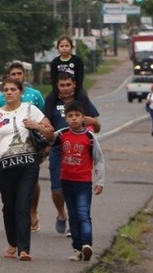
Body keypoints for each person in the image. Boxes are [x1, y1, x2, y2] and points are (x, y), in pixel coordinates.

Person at [0, 78, 54, 261]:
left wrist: (36, 126)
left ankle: (24, 249)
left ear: (20, 92)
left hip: (28, 164)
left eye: (13, 89)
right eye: (5, 90)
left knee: (23, 204)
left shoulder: (31, 110)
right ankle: (12, 243)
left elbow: (50, 132)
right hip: (4, 166)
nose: (9, 92)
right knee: (9, 206)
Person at [44, 72, 101, 237]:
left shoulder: (82, 101)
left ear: (74, 84)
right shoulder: (52, 101)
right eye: (62, 85)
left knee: (75, 188)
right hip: (58, 150)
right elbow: (46, 124)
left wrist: (94, 122)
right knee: (57, 190)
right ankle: (61, 213)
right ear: (57, 86)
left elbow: (97, 127)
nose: (65, 88)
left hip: (79, 152)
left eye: (68, 85)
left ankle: (73, 222)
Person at [52, 100, 105, 262]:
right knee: (73, 217)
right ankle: (77, 249)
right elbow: (46, 141)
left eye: (77, 115)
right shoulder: (61, 135)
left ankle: (87, 244)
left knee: (83, 213)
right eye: (70, 116)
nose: (74, 119)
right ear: (66, 118)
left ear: (83, 118)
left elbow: (99, 159)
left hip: (83, 183)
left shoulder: (89, 137)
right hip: (66, 182)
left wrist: (100, 180)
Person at [0, 62, 45, 232]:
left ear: (24, 75)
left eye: (19, 73)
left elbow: (44, 119)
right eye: (13, 74)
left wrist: (45, 142)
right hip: (8, 145)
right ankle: (18, 212)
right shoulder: (2, 97)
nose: (16, 76)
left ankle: (32, 211)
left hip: (31, 142)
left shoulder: (35, 95)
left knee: (31, 180)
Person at [46, 35, 89, 108]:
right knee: (49, 99)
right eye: (61, 46)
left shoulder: (77, 60)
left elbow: (80, 76)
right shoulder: (55, 62)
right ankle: (47, 117)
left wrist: (75, 90)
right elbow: (53, 79)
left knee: (83, 97)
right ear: (58, 48)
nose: (64, 48)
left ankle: (86, 115)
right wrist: (57, 91)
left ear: (71, 47)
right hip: (60, 88)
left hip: (75, 88)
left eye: (67, 46)